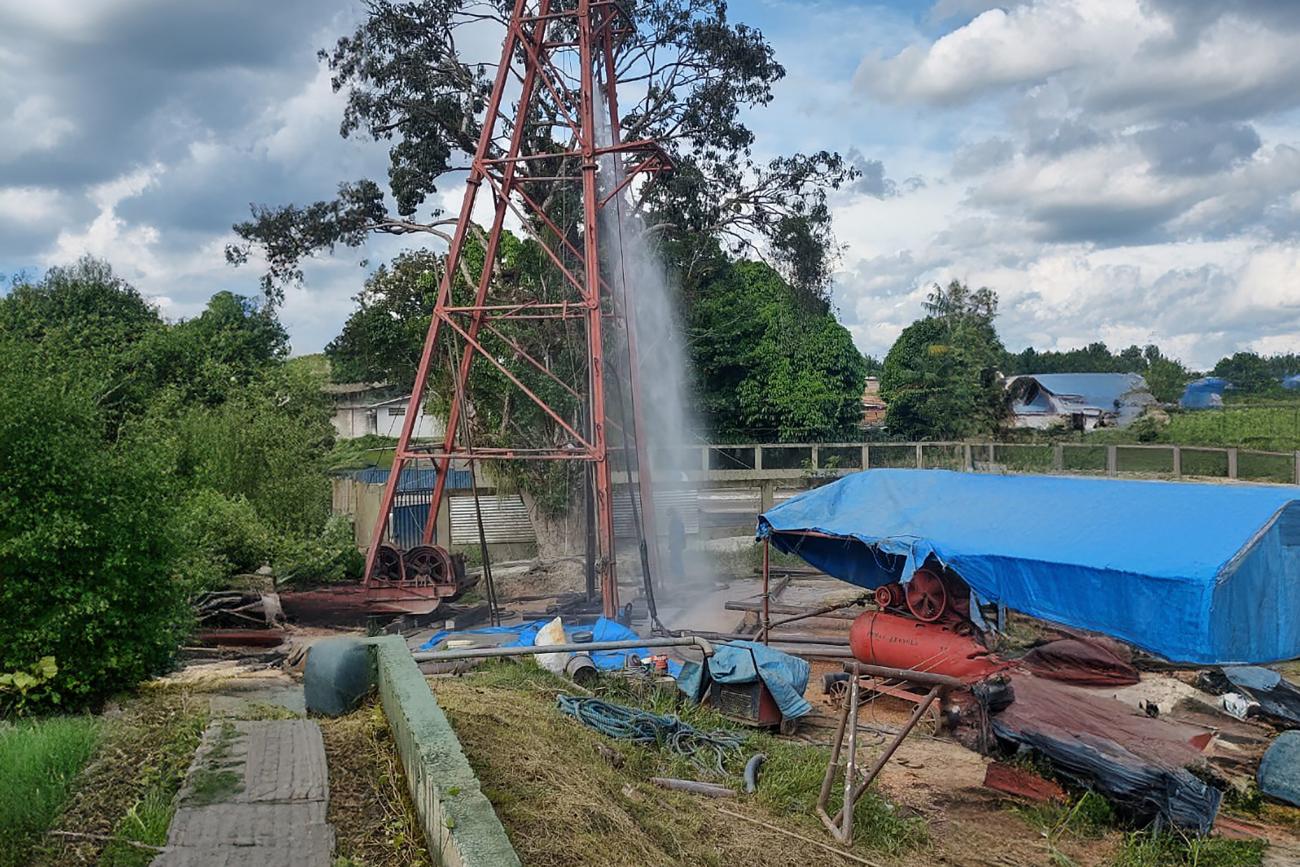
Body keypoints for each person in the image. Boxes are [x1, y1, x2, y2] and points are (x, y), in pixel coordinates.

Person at [666, 507, 685, 579]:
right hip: (677, 544)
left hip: (676, 544)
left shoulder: (675, 521)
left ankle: (679, 576)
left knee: (676, 560)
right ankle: (679, 575)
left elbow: (676, 534)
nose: (668, 517)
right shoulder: (677, 520)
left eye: (669, 515)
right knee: (677, 559)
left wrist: (672, 544)